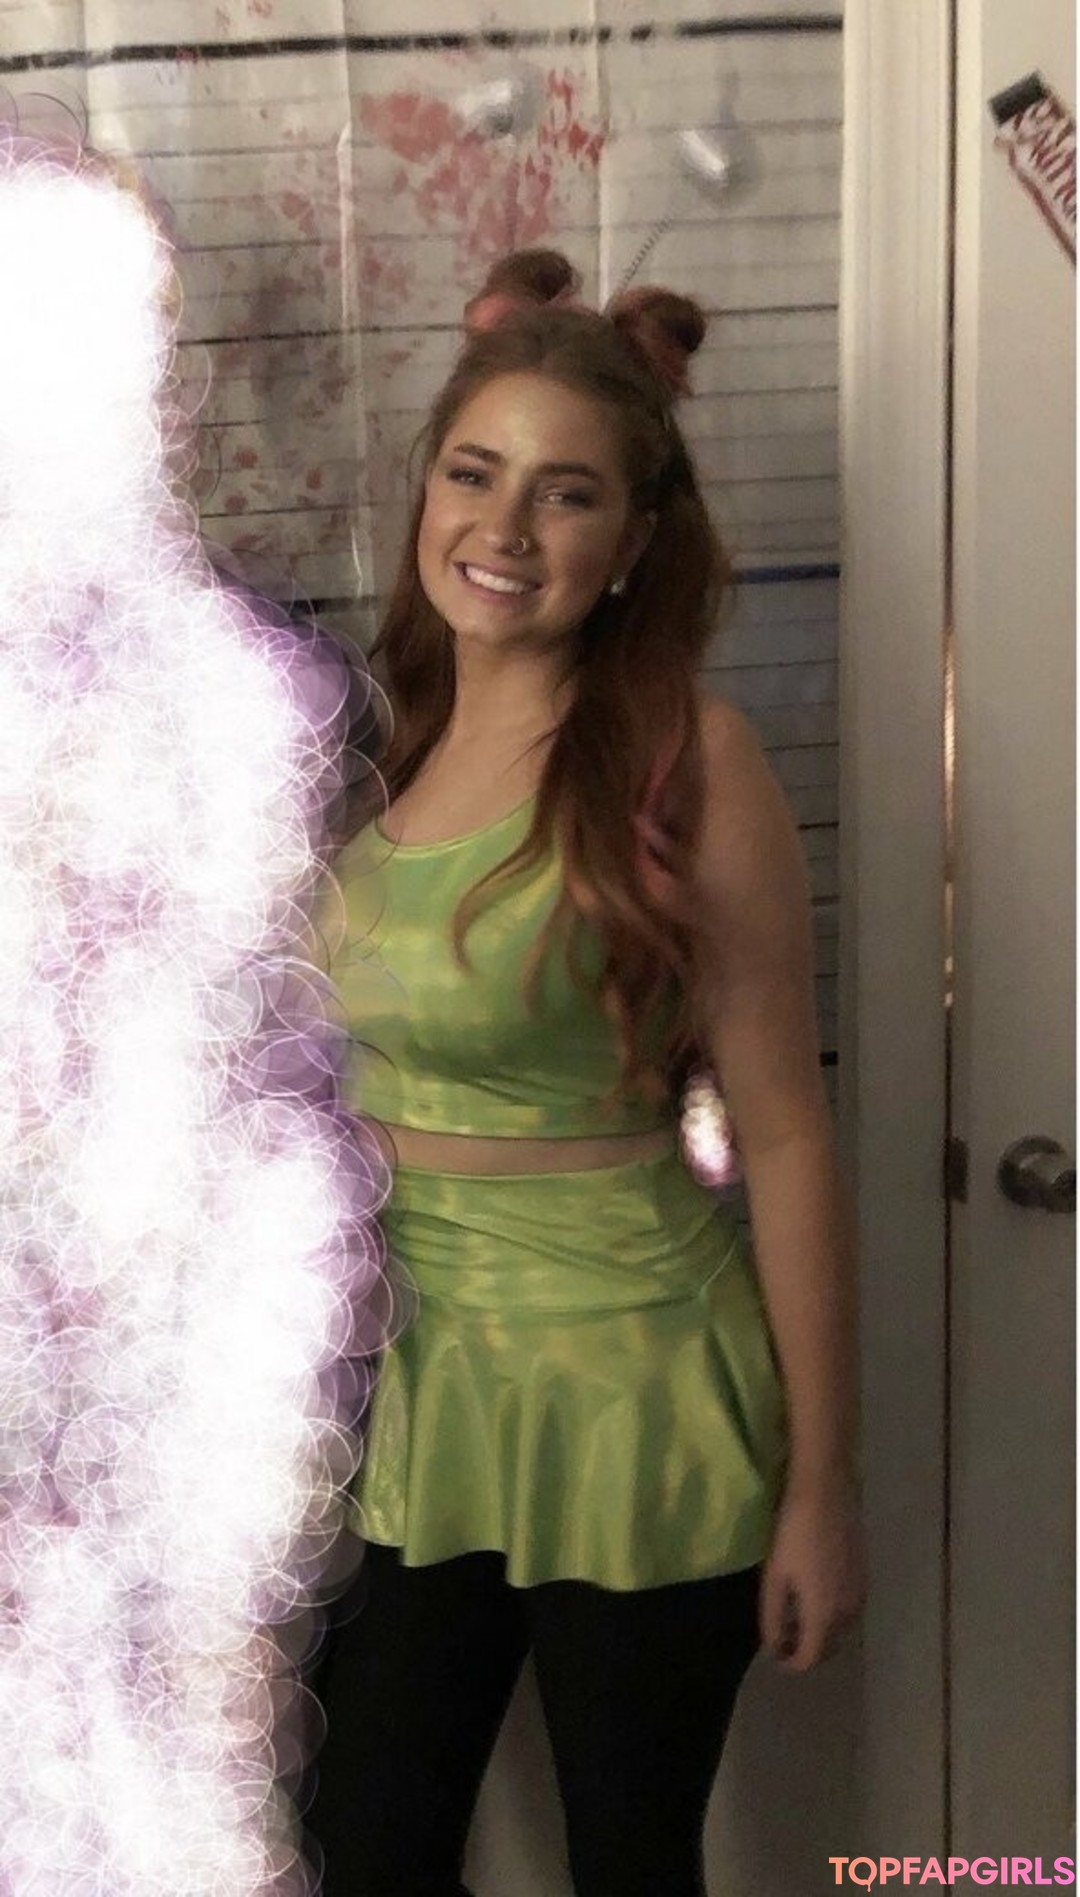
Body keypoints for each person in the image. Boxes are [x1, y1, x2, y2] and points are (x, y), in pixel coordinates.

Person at [308, 248, 864, 1897]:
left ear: (633, 542)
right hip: (416, 1386)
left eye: (567, 493)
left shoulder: (690, 758)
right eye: (474, 472)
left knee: (629, 1860)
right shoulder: (379, 739)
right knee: (368, 1848)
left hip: (636, 1385)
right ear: (428, 487)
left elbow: (784, 1131)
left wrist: (823, 1488)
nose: (505, 525)